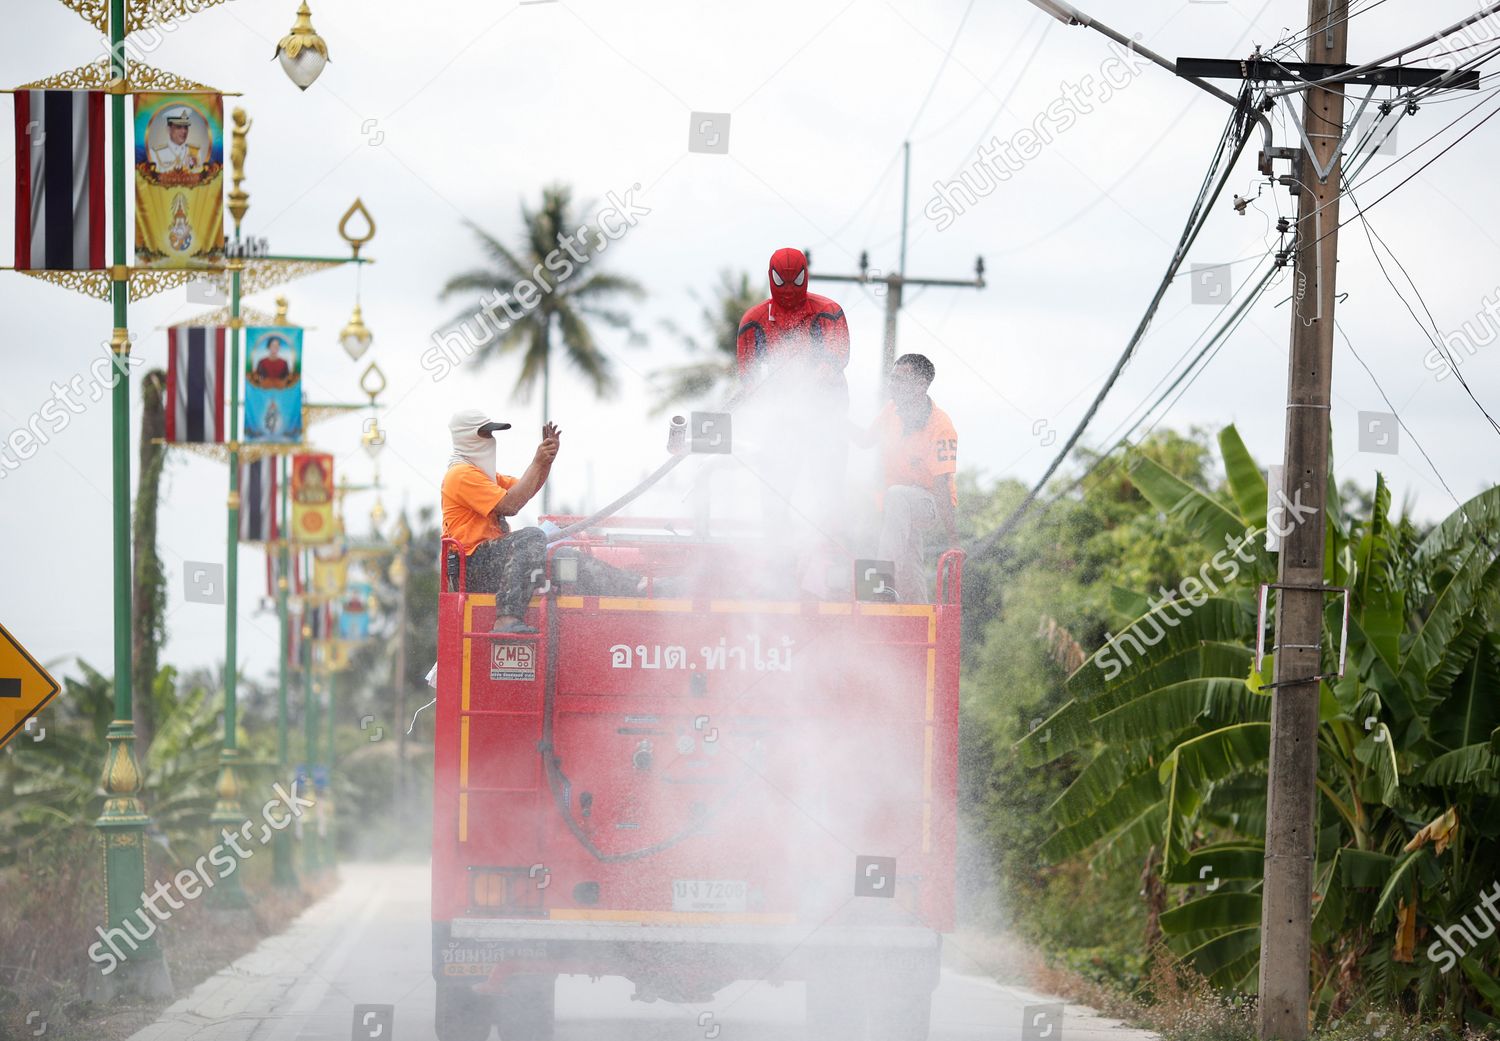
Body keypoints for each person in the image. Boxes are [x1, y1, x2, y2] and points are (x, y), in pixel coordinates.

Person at [735, 248, 854, 589]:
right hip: (781, 423)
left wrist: (805, 383)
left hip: (825, 417)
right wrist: (766, 396)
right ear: (770, 277)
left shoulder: (828, 312)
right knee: (775, 490)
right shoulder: (754, 321)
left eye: (796, 280)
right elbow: (748, 376)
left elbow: (837, 358)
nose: (788, 288)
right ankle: (778, 564)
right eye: (780, 281)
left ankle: (831, 566)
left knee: (828, 491)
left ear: (806, 276)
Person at [441, 409, 559, 634]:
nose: (491, 439)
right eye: (485, 434)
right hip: (472, 565)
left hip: (491, 561)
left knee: (562, 560)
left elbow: (525, 488)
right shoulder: (461, 475)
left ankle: (637, 583)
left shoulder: (485, 476)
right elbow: (511, 505)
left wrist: (545, 462)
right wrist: (537, 461)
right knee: (532, 536)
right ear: (468, 437)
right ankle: (506, 618)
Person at [852, 354, 958, 602]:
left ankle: (878, 587)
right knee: (910, 565)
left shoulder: (941, 426)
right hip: (898, 505)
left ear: (921, 385)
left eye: (900, 380)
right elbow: (865, 441)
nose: (892, 386)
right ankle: (917, 615)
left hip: (928, 503)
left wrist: (953, 540)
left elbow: (942, 484)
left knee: (897, 496)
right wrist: (834, 420)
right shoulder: (892, 410)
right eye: (892, 379)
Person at [152, 108, 201, 174]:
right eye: (178, 127)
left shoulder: (196, 152)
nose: (184, 131)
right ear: (168, 129)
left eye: (186, 127)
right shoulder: (156, 153)